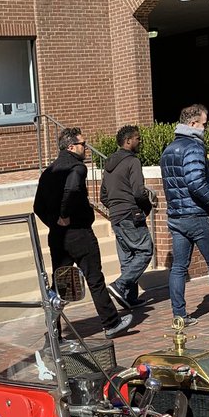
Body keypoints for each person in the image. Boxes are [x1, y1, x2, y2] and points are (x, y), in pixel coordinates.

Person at [34, 127, 134, 338]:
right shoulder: (77, 168)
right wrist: (63, 215)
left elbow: (37, 207)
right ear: (71, 147)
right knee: (94, 279)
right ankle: (111, 322)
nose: (86, 148)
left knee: (60, 284)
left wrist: (53, 223)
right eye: (83, 144)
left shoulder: (48, 172)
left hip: (58, 237)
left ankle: (54, 331)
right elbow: (72, 189)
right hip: (79, 234)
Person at [159, 104, 209, 323]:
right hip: (197, 216)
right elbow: (196, 183)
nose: (205, 128)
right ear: (192, 124)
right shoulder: (194, 148)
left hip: (176, 217)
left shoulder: (168, 150)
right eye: (204, 124)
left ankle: (179, 315)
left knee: (179, 267)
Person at [100, 124, 154, 312]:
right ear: (128, 141)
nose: (141, 141)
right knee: (145, 251)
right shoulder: (133, 162)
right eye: (138, 138)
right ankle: (120, 285)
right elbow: (139, 192)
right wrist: (147, 207)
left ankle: (130, 298)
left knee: (128, 257)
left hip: (116, 216)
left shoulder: (108, 165)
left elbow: (103, 197)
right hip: (132, 214)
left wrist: (116, 208)